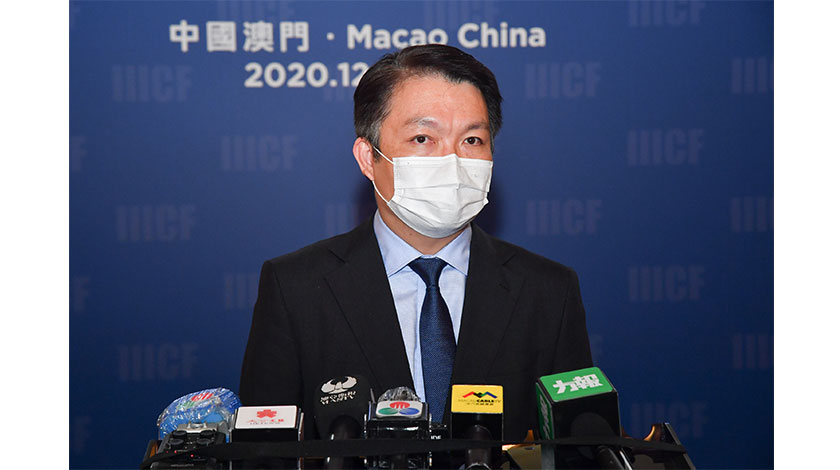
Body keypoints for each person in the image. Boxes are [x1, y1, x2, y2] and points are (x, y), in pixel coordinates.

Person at [239, 44, 592, 441]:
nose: (452, 161)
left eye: (472, 140)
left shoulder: (548, 291)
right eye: (423, 138)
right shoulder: (296, 288)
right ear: (368, 158)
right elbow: (263, 452)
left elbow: (578, 446)